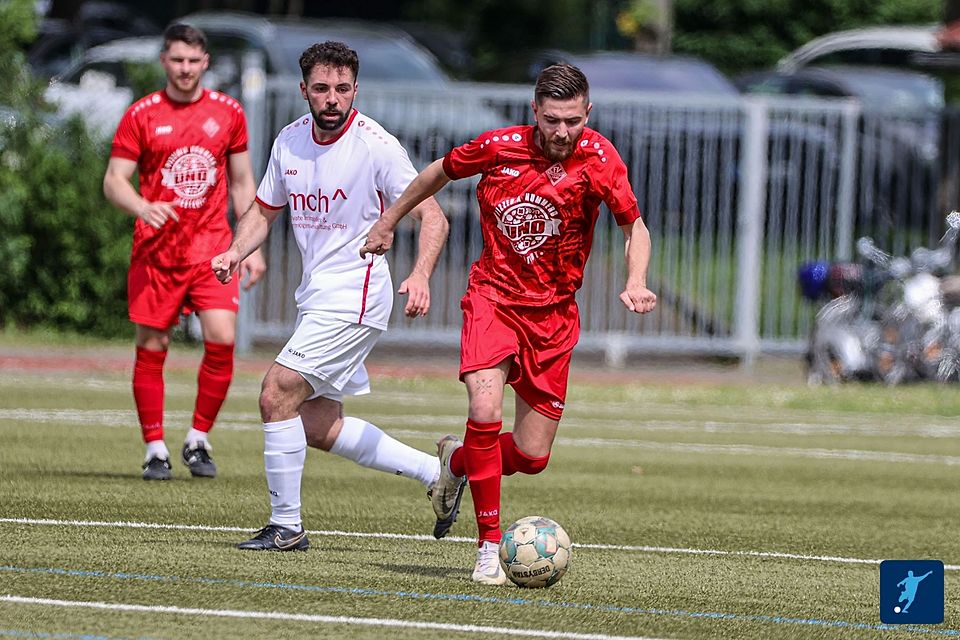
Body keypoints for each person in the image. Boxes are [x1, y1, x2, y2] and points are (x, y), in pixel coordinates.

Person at [361, 63, 657, 584]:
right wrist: (389, 220)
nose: (562, 132)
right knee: (484, 408)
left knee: (531, 455)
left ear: (588, 112)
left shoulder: (600, 156)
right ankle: (487, 548)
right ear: (534, 113)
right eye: (551, 120)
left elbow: (633, 225)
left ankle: (455, 464)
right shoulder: (499, 146)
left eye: (572, 120)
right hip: (493, 300)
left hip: (555, 315)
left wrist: (636, 279)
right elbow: (436, 172)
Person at [211, 41, 450, 552]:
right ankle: (438, 470)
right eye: (322, 88)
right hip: (317, 297)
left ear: (355, 90)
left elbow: (434, 216)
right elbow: (263, 211)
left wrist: (423, 273)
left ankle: (286, 526)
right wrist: (234, 251)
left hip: (357, 296)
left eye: (342, 89)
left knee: (276, 392)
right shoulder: (290, 141)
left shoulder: (376, 146)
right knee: (316, 423)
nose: (332, 98)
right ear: (305, 91)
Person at [103, 23, 266, 481]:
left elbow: (240, 183)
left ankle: (198, 438)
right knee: (153, 346)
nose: (185, 69)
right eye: (177, 60)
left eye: (193, 61)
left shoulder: (229, 112)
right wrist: (141, 205)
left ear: (206, 62)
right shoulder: (142, 114)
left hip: (212, 250)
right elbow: (114, 180)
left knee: (222, 338)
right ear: (164, 62)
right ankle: (154, 447)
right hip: (157, 254)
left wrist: (247, 246)